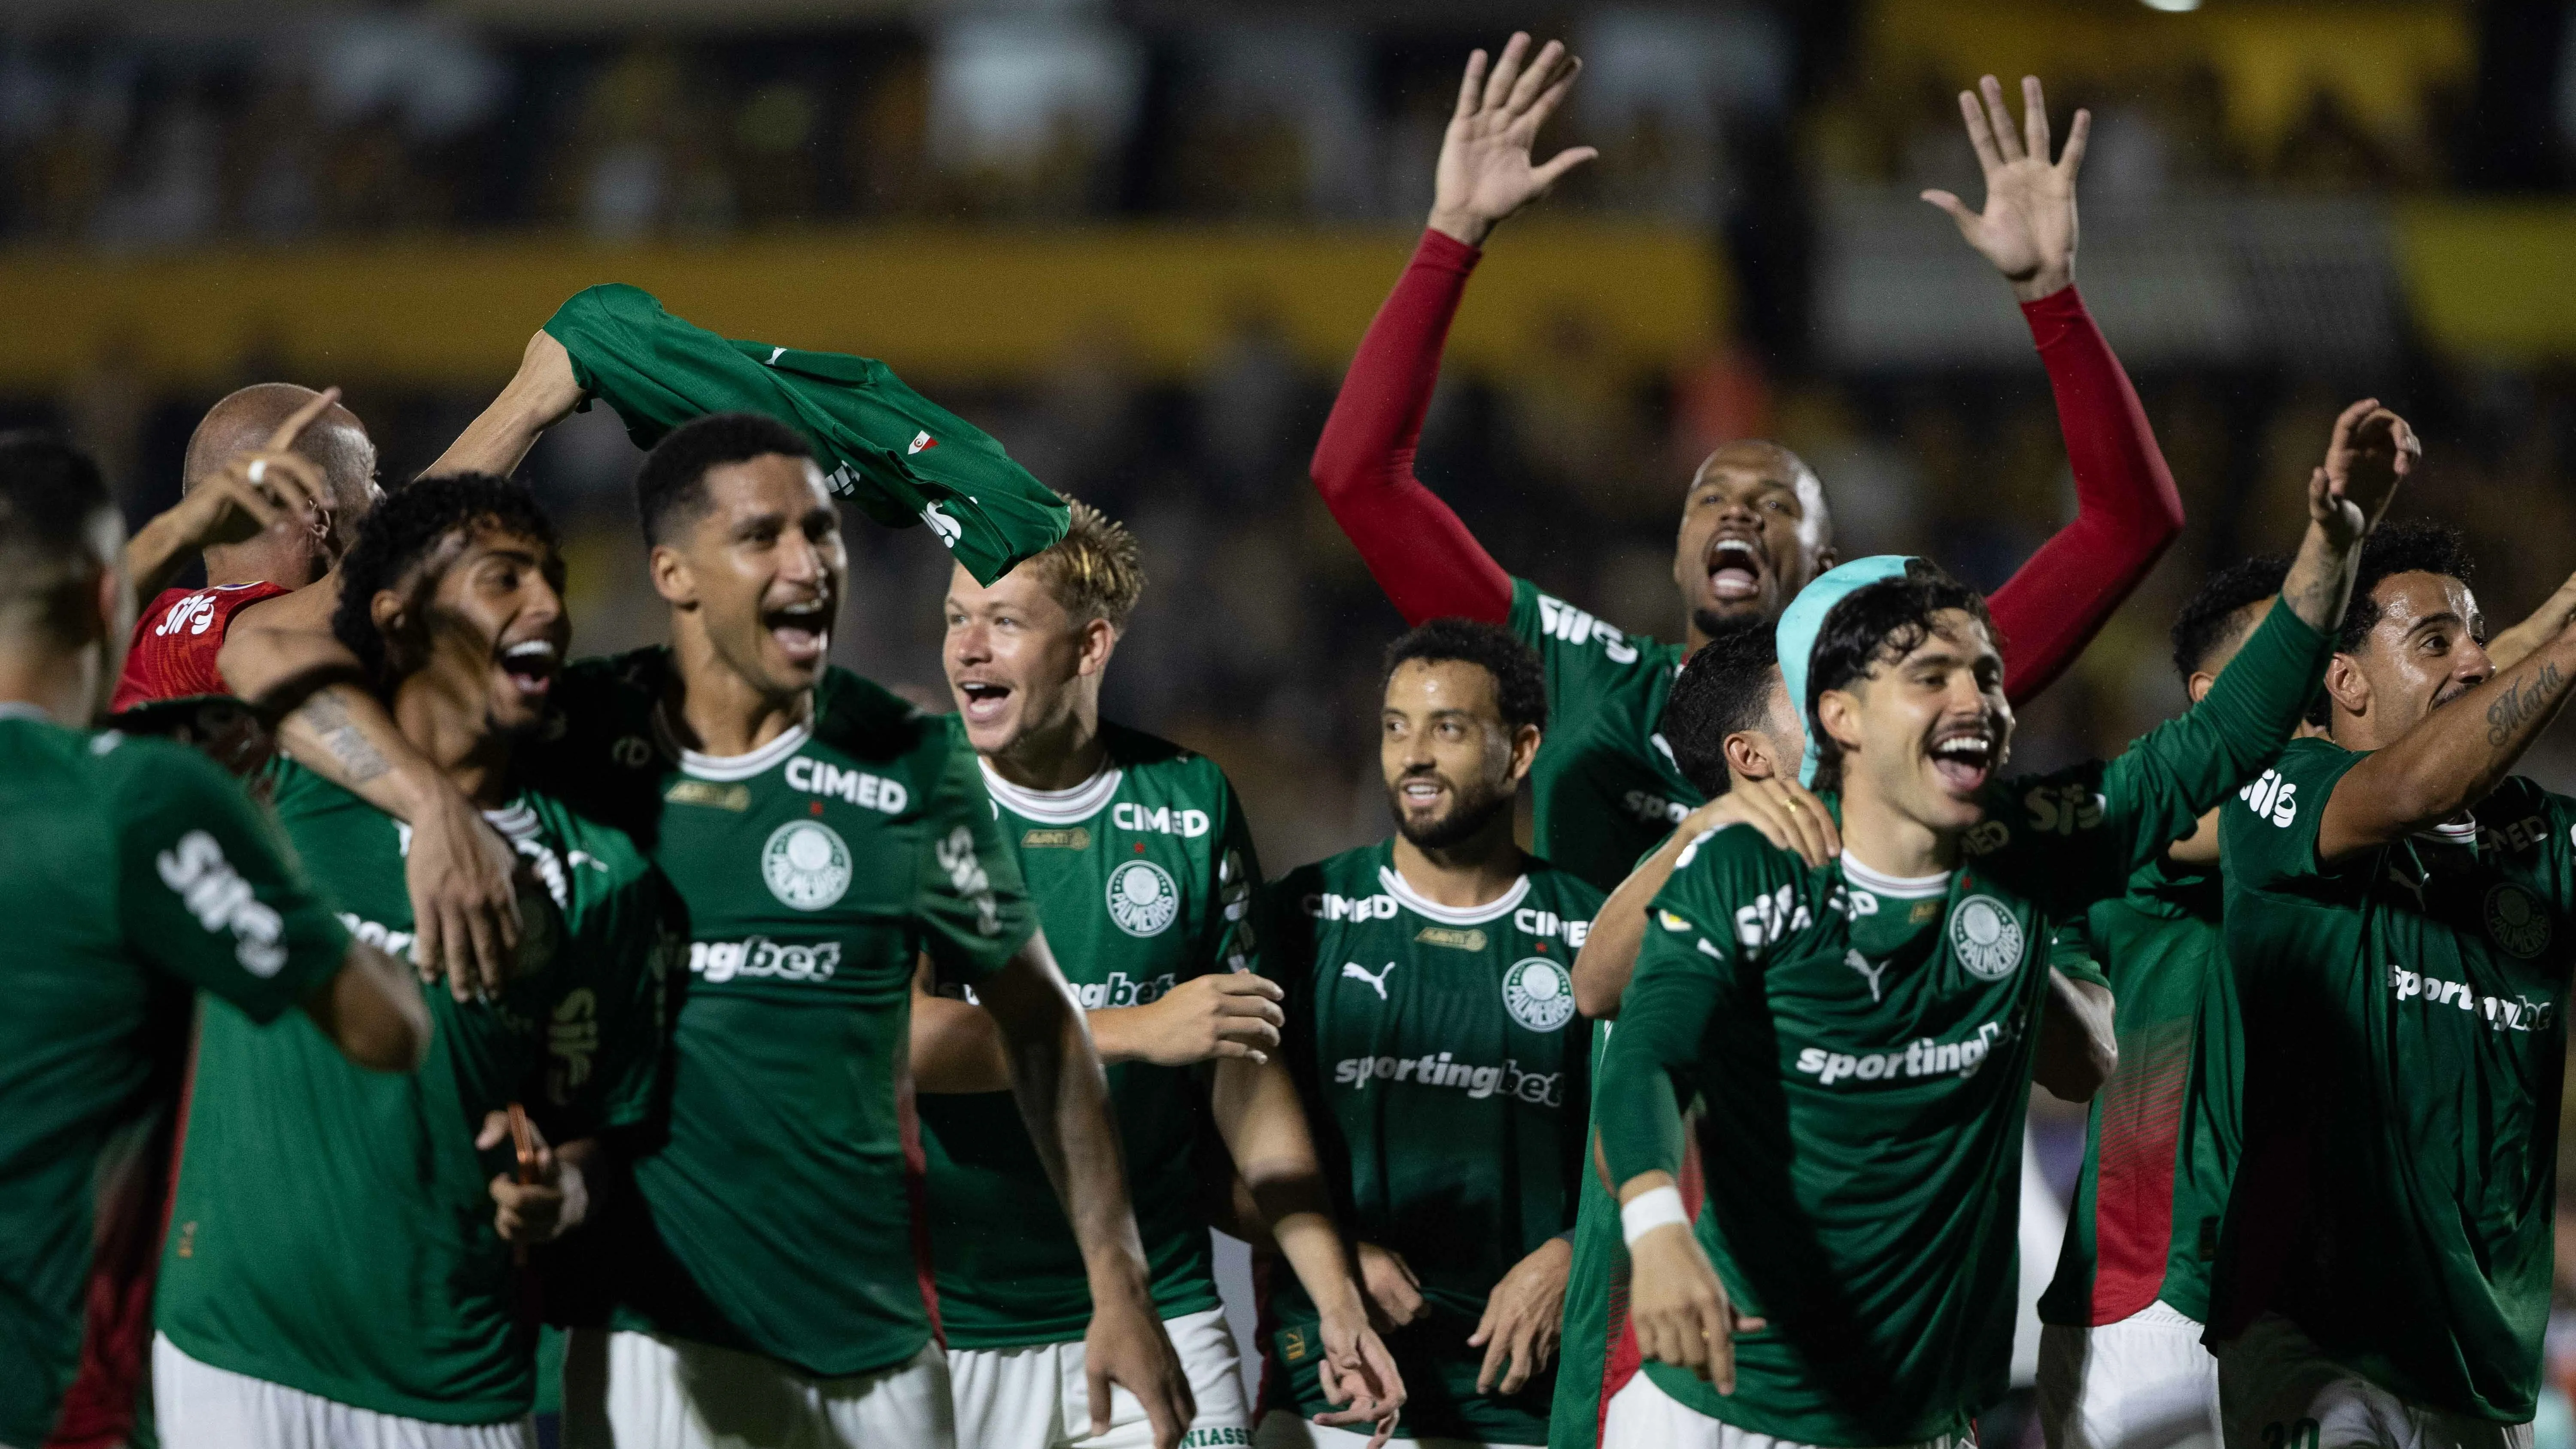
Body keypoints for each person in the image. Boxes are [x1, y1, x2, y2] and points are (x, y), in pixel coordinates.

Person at [1592, 413, 2402, 1448]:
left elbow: (2220, 741)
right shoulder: (1754, 866)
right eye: (1931, 676)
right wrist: (1656, 1230)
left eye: (1984, 674)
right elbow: (1645, 1060)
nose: (1976, 697)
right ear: (1839, 717)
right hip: (1732, 1407)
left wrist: (2331, 551)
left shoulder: (2028, 842)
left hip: (1922, 1420)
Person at [1311, 46, 2182, 896]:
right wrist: (1451, 236)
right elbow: (1358, 481)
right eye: (1712, 498)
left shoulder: (1891, 699)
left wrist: (2050, 293)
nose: (1740, 512)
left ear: (1827, 571)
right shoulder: (1579, 673)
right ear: (1680, 550)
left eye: (1776, 504)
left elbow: (2127, 525)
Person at [152, 471, 668, 1447]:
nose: (549, 605)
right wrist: (432, 806)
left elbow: (607, 1123)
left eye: (552, 580)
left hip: (452, 1379)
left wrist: (564, 1188)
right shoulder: (286, 767)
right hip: (233, 1351)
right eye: (503, 579)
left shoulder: (599, 871)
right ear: (397, 616)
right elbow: (254, 643)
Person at [910, 501, 1403, 1447]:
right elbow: (904, 1038)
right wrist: (1135, 1030)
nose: (967, 649)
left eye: (1003, 622)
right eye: (954, 617)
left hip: (1165, 1301)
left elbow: (1243, 1069)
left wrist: (1333, 1290)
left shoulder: (1188, 799)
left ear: (1091, 645)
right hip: (959, 1328)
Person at [0, 432, 425, 1449]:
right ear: (113, 606)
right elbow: (384, 1028)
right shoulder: (144, 801)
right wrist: (265, 854)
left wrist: (178, 532)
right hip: (61, 1390)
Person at [2208, 513, 2576, 1444]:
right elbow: (2415, 789)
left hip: (2478, 1362)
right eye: (2434, 640)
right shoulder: (2275, 790)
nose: (2474, 660)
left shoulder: (2547, 839)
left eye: (2477, 636)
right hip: (2316, 1334)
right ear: (2345, 681)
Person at [1259, 619, 1606, 1449]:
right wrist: (1336, 1256)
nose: (1412, 754)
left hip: (1523, 1400)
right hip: (1330, 1390)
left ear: (1521, 751)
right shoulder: (1300, 916)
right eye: (1394, 727)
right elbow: (1210, 1154)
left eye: (1447, 728)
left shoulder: (1597, 932)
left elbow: (1649, 1145)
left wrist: (1570, 1255)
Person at [2027, 552, 2287, 1449]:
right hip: (2159, 1294)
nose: (2326, 664)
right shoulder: (2154, 806)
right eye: (2292, 645)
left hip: (2311, 1307)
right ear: (2217, 694)